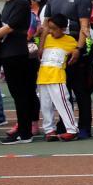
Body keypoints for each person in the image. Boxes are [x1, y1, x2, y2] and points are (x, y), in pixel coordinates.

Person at [43, 0, 93, 138]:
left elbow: (84, 26)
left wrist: (78, 49)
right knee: (62, 92)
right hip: (56, 55)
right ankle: (65, 125)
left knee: (80, 91)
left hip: (73, 52)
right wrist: (42, 49)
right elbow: (45, 26)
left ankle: (85, 127)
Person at [0, 0, 37, 144]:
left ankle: (25, 133)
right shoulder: (9, 3)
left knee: (21, 94)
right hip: (9, 52)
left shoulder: (20, 2)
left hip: (17, 53)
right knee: (19, 93)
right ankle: (24, 130)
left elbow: (9, 27)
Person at [34, 13, 79, 141]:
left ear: (63, 28)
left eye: (54, 28)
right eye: (50, 28)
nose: (51, 32)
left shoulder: (70, 41)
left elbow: (82, 46)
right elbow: (37, 44)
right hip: (42, 78)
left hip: (57, 77)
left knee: (63, 103)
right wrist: (41, 32)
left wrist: (77, 51)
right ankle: (49, 130)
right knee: (45, 106)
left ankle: (72, 129)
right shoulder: (46, 38)